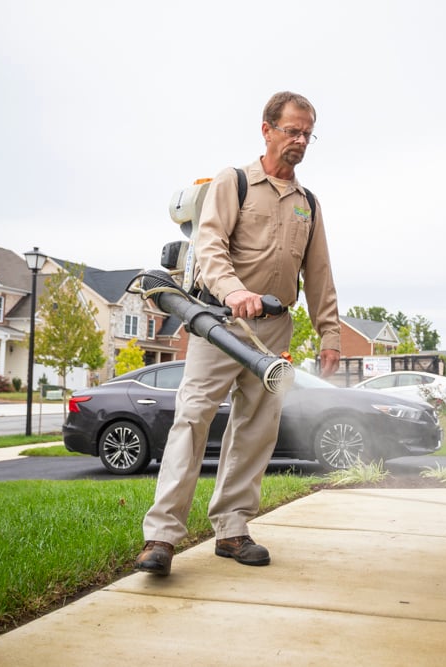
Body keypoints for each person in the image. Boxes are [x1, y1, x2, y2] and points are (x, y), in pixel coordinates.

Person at [135, 91, 341, 575]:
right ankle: (161, 538)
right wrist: (232, 292)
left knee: (256, 430)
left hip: (274, 331)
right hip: (220, 325)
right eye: (292, 130)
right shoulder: (235, 182)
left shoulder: (308, 203)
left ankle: (232, 529)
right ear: (266, 129)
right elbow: (209, 247)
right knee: (192, 420)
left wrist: (330, 333)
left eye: (308, 133)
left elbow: (319, 272)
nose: (300, 140)